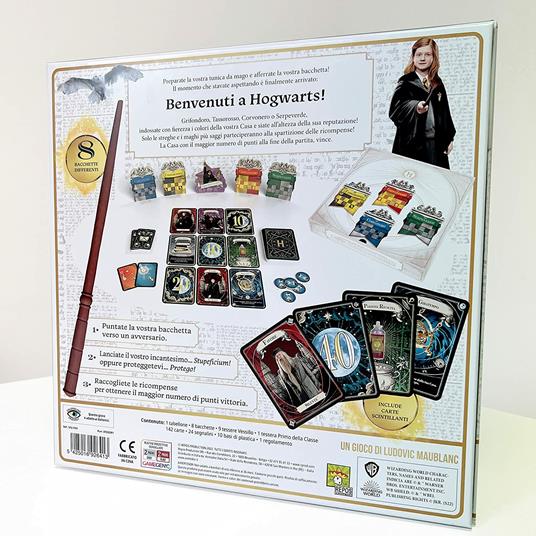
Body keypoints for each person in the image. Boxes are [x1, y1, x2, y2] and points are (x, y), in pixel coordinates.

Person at [389, 37, 456, 169]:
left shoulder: (437, 83)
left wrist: (448, 139)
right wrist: (415, 106)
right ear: (413, 57)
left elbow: (445, 112)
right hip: (412, 144)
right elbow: (396, 108)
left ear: (434, 57)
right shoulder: (406, 81)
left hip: (435, 144)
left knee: (435, 176)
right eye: (419, 54)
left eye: (427, 54)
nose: (422, 58)